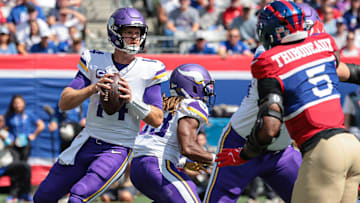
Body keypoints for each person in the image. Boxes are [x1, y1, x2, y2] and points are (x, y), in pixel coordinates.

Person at [215, 1, 360, 202]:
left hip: (318, 148)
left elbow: (269, 128)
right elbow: (349, 71)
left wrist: (243, 155)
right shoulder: (324, 46)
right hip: (350, 145)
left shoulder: (270, 58)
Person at [33, 7, 168, 203]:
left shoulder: (150, 69)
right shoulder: (94, 60)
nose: (134, 38)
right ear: (115, 33)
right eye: (128, 32)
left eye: (137, 33)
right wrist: (93, 88)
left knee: (77, 196)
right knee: (42, 197)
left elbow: (157, 119)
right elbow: (64, 102)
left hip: (118, 146)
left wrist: (131, 99)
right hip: (87, 139)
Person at [130, 63, 216, 202]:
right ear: (193, 86)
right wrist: (216, 159)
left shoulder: (163, 104)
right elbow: (187, 148)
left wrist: (181, 162)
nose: (207, 92)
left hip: (137, 166)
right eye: (205, 87)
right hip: (157, 165)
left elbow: (160, 140)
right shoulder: (192, 105)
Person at [0, 114, 33, 203]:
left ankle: (23, 194)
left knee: (24, 167)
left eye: (1, 121)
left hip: (6, 166)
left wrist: (2, 135)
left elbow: (10, 143)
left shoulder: (5, 134)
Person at [5, 94, 45, 161]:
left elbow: (41, 125)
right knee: (15, 162)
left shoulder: (28, 114)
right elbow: (5, 129)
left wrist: (34, 135)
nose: (18, 105)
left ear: (23, 103)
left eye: (19, 103)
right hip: (14, 143)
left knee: (24, 162)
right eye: (15, 103)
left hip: (25, 142)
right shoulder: (9, 117)